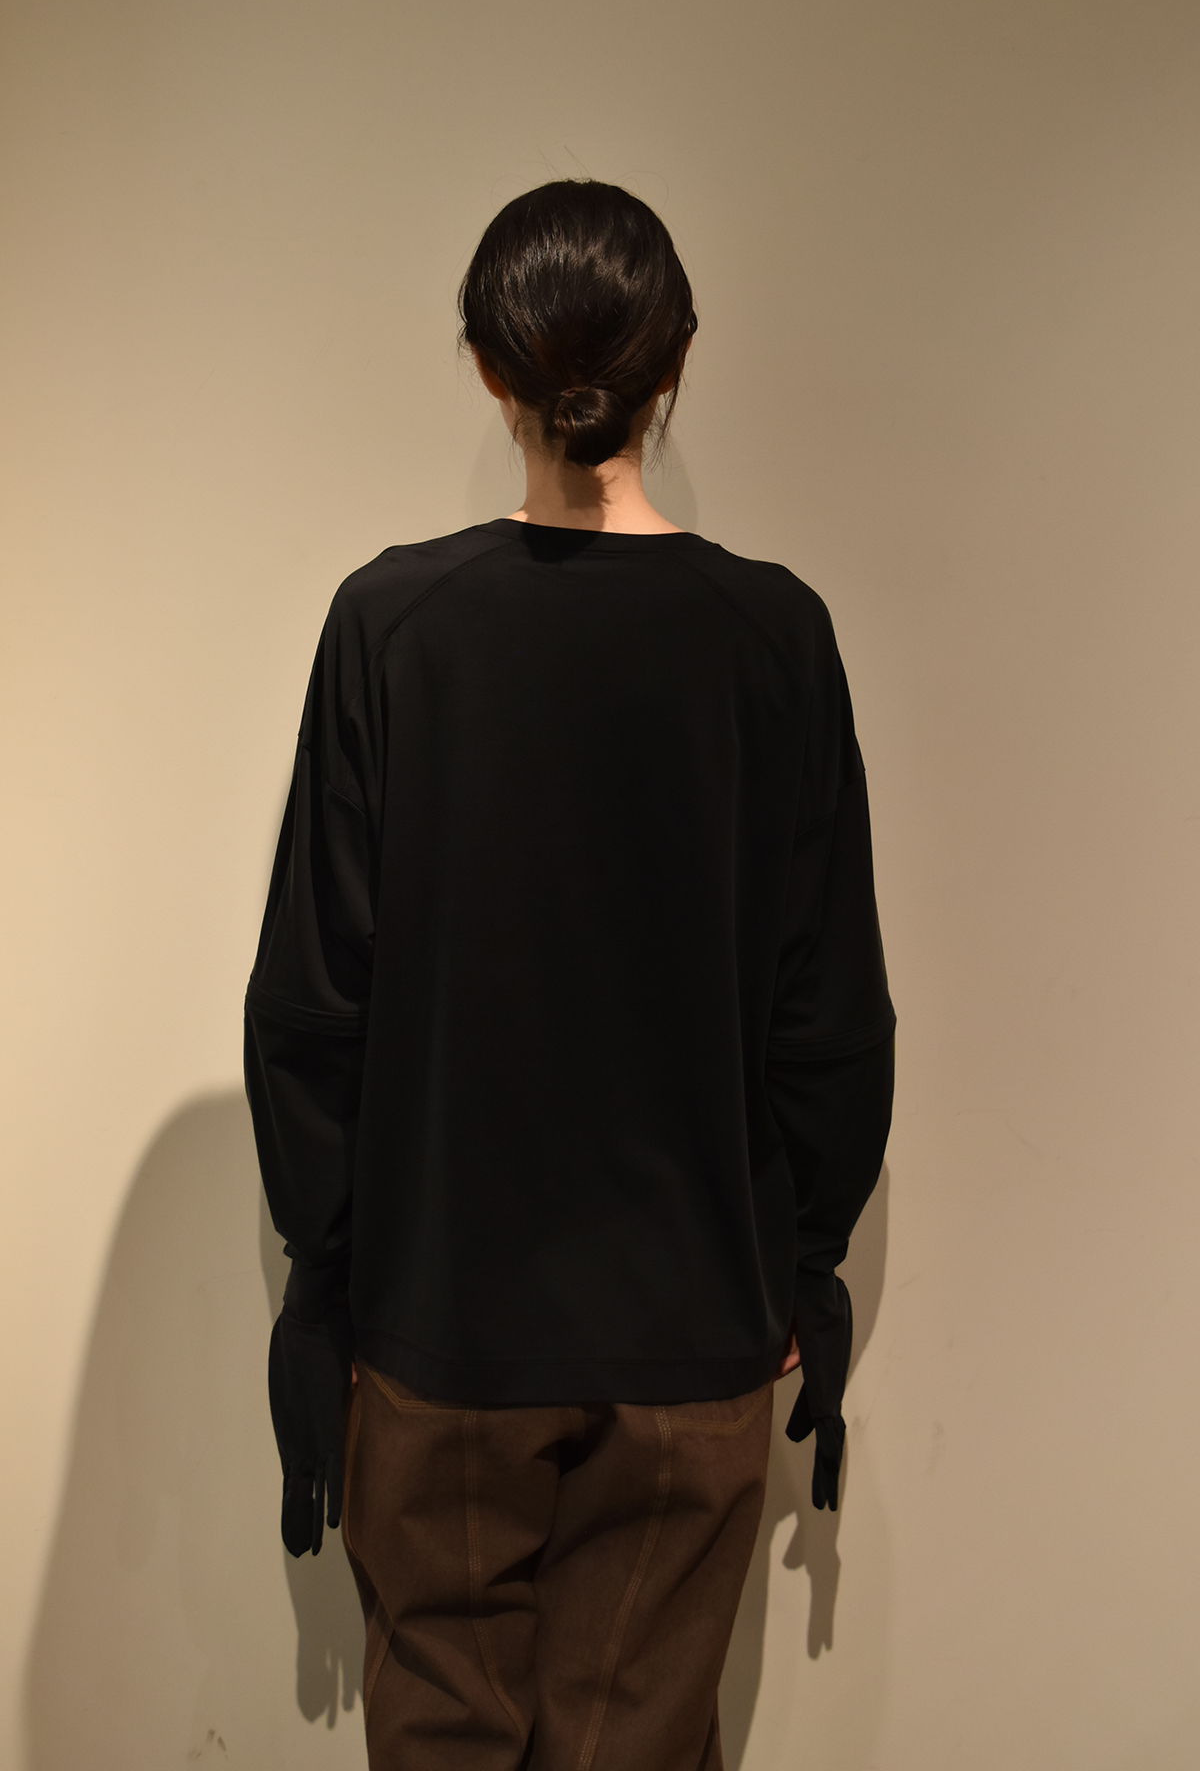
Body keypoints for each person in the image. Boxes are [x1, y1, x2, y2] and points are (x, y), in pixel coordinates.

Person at [244, 179, 895, 1771]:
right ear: (677, 368)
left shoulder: (393, 628)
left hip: (441, 1335)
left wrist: (329, 1276)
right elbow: (828, 1014)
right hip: (693, 1339)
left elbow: (313, 1003)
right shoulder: (774, 640)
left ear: (488, 368)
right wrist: (802, 1257)